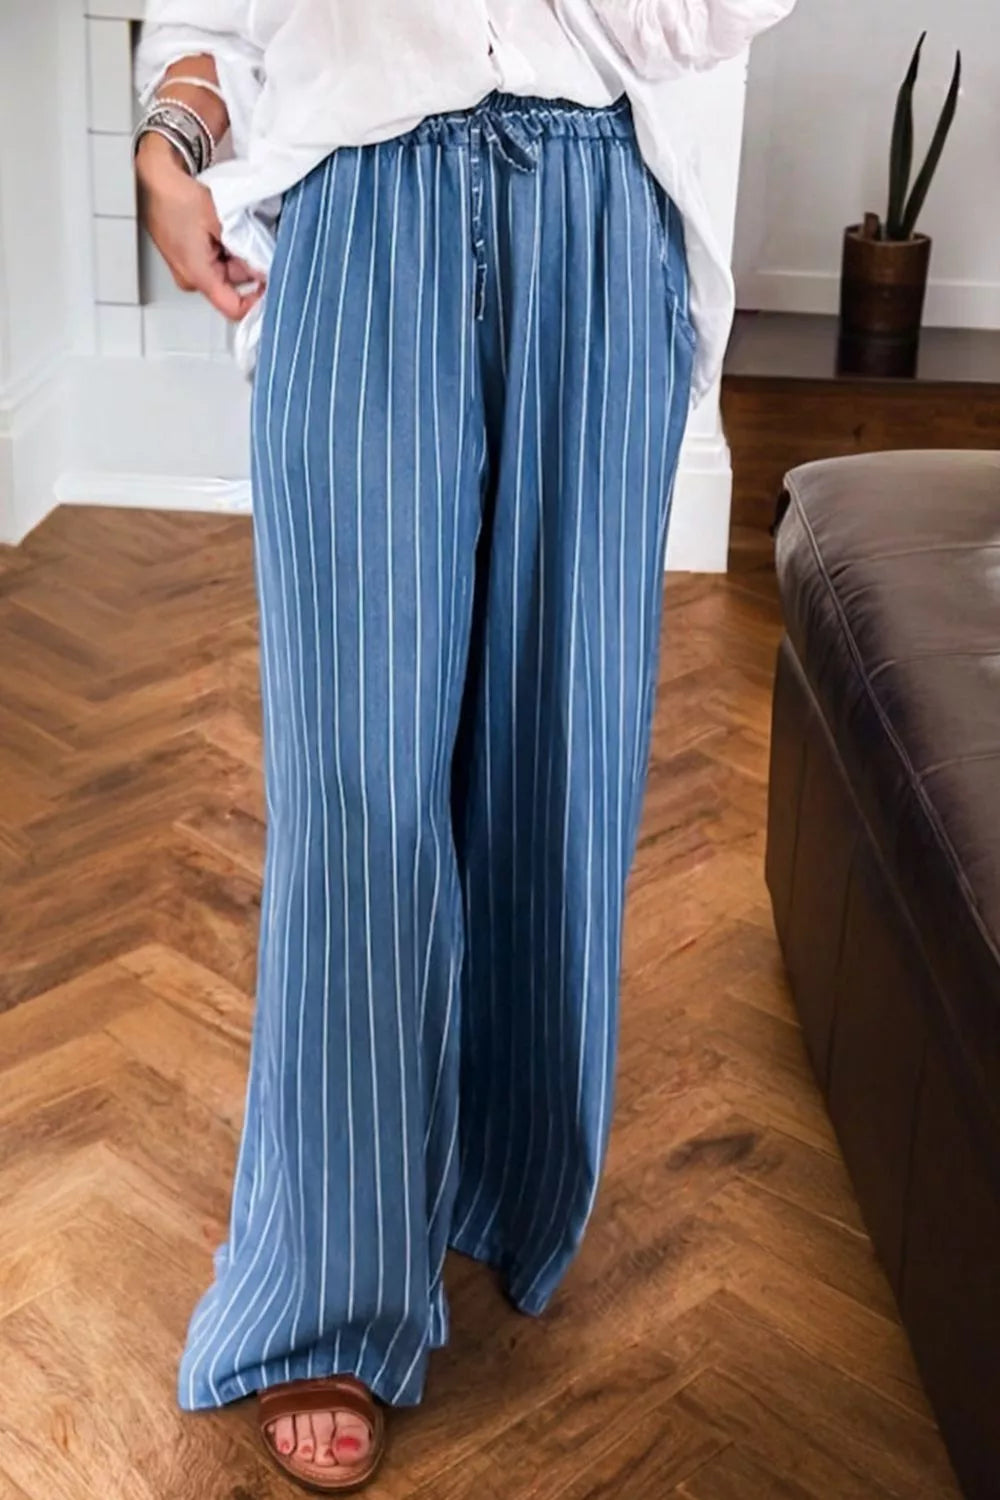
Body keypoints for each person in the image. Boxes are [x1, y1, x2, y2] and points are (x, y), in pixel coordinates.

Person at [134, 1, 795, 1490]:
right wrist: (173, 136)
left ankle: (502, 1168)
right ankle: (331, 1289)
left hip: (605, 204)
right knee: (355, 783)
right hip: (359, 211)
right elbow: (208, 18)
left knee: (559, 757)